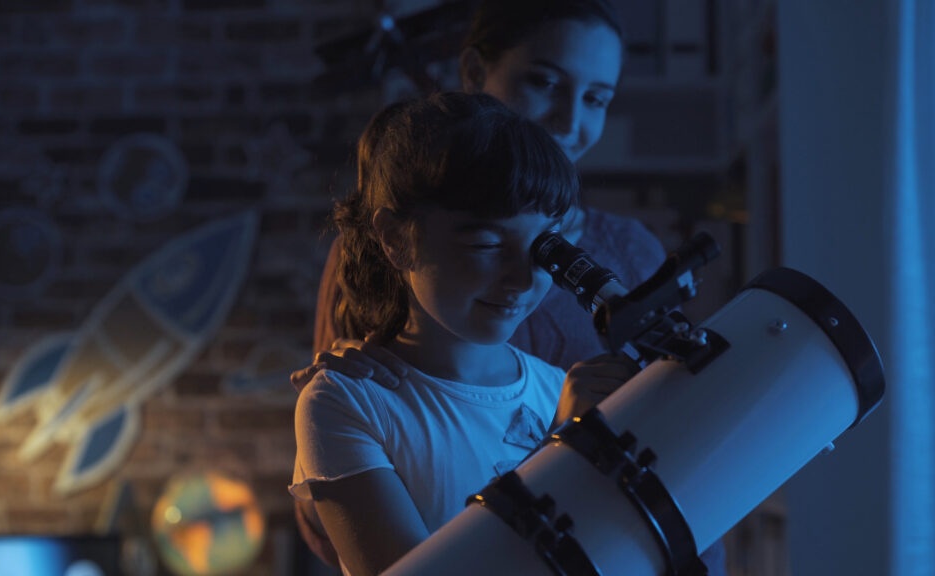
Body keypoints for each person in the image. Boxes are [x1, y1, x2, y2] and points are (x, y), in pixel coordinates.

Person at [300, 0, 728, 572]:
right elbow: (347, 522)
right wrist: (565, 449)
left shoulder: (625, 264)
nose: (570, 120)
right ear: (476, 72)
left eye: (597, 98)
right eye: (545, 82)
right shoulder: (361, 387)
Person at [290, 92, 640, 576]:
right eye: (486, 244)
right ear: (395, 238)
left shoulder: (559, 390)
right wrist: (563, 452)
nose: (520, 279)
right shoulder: (348, 403)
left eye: (542, 248)